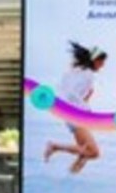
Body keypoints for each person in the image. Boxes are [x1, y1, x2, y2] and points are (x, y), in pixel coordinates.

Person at [43, 41, 107, 174]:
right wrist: (85, 109)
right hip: (76, 115)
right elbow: (73, 94)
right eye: (101, 61)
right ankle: (55, 146)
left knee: (84, 152)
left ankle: (71, 176)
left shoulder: (75, 72)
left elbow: (71, 93)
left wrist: (84, 101)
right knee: (93, 152)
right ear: (95, 60)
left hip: (70, 114)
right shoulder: (88, 74)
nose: (103, 65)